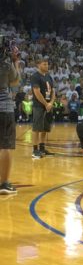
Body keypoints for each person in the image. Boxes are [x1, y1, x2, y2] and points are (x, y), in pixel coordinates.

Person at [0, 38, 20, 194]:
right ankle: (3, 184)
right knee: (5, 147)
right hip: (4, 108)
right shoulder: (6, 65)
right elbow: (15, 82)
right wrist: (16, 62)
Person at [30, 58, 56, 158]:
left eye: (47, 64)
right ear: (38, 65)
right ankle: (35, 150)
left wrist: (51, 103)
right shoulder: (35, 77)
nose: (46, 66)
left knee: (45, 128)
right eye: (44, 64)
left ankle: (42, 148)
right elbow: (37, 92)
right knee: (37, 128)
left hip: (48, 106)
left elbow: (53, 91)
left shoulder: (49, 76)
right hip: (39, 106)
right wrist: (46, 104)